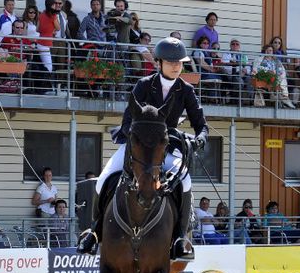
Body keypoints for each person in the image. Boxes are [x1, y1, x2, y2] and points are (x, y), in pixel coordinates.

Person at [77, 37, 208, 261]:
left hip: (166, 148)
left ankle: (179, 239)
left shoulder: (186, 90)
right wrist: (141, 138)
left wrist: (200, 139)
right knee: (105, 177)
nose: (177, 66)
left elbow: (201, 124)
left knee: (185, 182)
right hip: (137, 148)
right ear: (159, 62)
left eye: (179, 62)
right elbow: (128, 121)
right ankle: (94, 232)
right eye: (171, 61)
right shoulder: (144, 85)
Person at [252, 44, 295, 108]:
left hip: (275, 76)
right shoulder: (259, 59)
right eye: (267, 50)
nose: (269, 52)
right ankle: (284, 99)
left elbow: (282, 70)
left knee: (282, 78)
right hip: (264, 77)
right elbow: (256, 69)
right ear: (264, 51)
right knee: (274, 78)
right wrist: (268, 71)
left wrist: (277, 73)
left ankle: (284, 98)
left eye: (270, 50)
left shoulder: (276, 60)